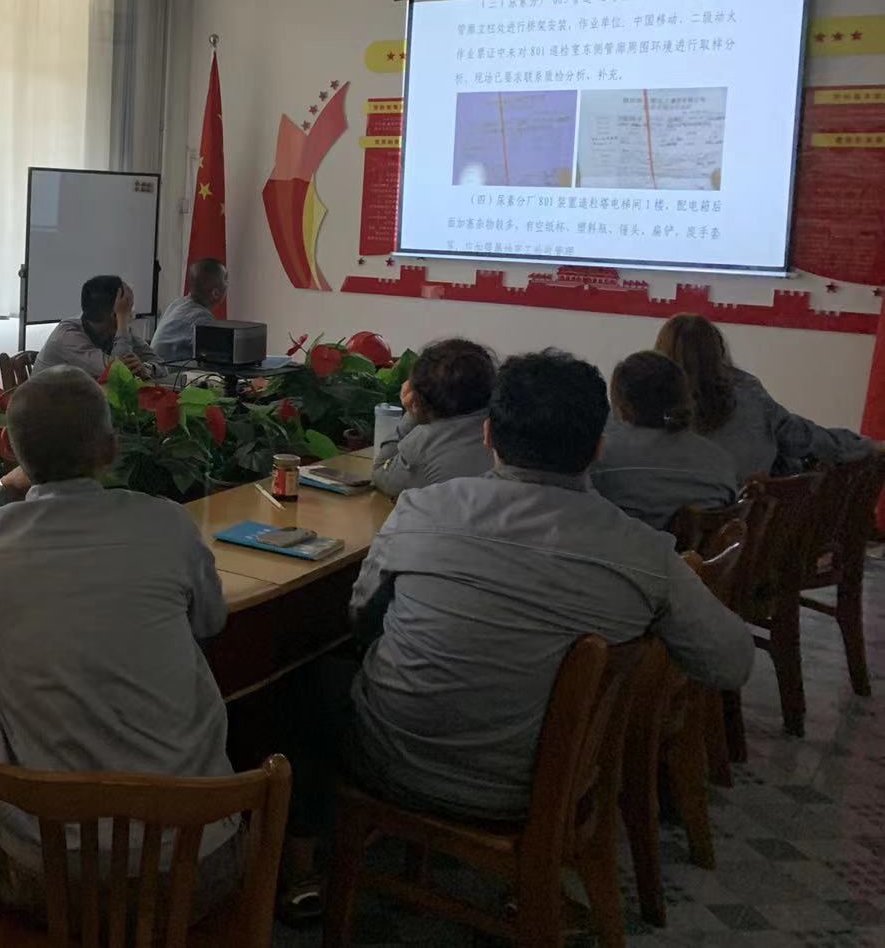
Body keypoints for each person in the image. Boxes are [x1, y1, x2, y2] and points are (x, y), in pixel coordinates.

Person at [280, 350, 755, 917]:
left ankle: (300, 873)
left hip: (397, 764)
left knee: (310, 683)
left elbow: (361, 620)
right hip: (553, 784)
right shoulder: (645, 554)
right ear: (598, 446)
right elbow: (731, 663)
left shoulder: (421, 509)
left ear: (488, 435)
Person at [0, 366, 242, 923]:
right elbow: (211, 621)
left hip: (48, 874)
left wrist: (4, 491)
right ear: (111, 449)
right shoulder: (166, 525)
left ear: (9, 450)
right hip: (192, 863)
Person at [655, 313, 873, 478]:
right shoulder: (749, 395)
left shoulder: (645, 404)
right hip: (743, 519)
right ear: (718, 351)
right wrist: (863, 445)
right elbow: (804, 438)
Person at [591, 351, 740, 531]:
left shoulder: (603, 463)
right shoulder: (721, 462)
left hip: (628, 548)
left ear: (624, 409)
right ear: (683, 398)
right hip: (706, 549)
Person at [371, 338, 496, 498]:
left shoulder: (424, 444)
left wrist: (412, 415)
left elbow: (382, 474)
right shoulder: (508, 427)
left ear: (419, 396)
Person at [33, 275, 165, 379]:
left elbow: (163, 366)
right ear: (115, 313)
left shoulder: (117, 329)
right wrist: (122, 320)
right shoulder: (67, 336)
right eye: (127, 306)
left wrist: (146, 368)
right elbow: (119, 374)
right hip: (48, 403)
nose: (132, 313)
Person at [150, 258, 227, 363]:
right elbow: (216, 359)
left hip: (157, 369)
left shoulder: (178, 303)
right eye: (226, 280)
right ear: (215, 293)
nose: (228, 284)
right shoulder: (202, 318)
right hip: (168, 372)